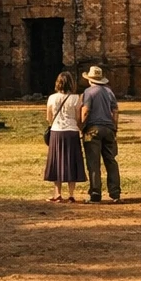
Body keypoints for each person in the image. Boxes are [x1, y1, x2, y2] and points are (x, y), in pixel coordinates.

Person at [80, 65, 121, 203]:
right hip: (109, 129)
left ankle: (95, 193)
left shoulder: (88, 92)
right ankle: (115, 193)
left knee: (93, 162)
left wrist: (82, 126)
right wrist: (114, 127)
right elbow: (115, 111)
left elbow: (85, 111)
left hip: (93, 129)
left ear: (90, 80)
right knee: (111, 160)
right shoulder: (109, 92)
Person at [44, 71, 85, 202]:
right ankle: (71, 194)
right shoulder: (76, 98)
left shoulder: (52, 98)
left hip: (56, 132)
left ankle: (57, 193)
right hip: (72, 132)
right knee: (71, 162)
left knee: (56, 162)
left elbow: (48, 117)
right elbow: (78, 118)